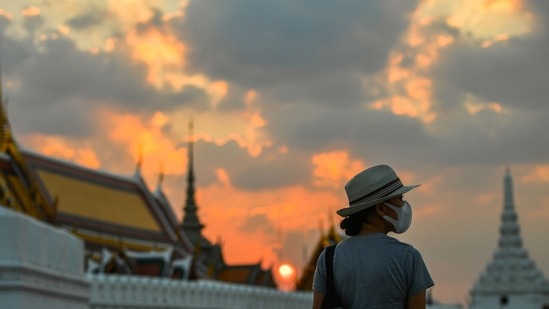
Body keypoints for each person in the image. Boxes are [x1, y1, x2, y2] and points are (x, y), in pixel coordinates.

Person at [312, 164, 434, 309]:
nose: (404, 204)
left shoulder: (329, 258)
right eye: (400, 198)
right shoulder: (409, 258)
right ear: (381, 208)